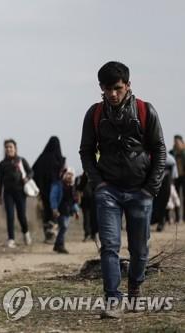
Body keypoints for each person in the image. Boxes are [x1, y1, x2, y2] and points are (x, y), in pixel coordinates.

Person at [79, 61, 166, 319]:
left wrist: (151, 188)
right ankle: (113, 300)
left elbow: (159, 149)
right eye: (108, 89)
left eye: (118, 88)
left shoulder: (145, 111)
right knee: (109, 246)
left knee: (140, 250)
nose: (113, 94)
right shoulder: (94, 114)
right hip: (108, 192)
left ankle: (135, 289)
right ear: (101, 89)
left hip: (141, 192)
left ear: (128, 85)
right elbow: (85, 151)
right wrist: (98, 184)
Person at [0, 139, 33, 248]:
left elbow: (31, 172)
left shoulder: (21, 160)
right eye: (6, 147)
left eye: (10, 147)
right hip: (8, 193)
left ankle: (26, 233)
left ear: (15, 148)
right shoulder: (2, 164)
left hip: (20, 192)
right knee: (10, 216)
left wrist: (27, 177)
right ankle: (11, 239)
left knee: (21, 215)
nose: (8, 149)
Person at [32, 136, 66, 243]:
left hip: (44, 191)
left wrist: (38, 188)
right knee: (55, 212)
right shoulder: (61, 160)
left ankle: (48, 236)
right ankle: (53, 235)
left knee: (46, 213)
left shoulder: (41, 158)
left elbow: (33, 172)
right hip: (56, 192)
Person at [49, 168, 79, 254]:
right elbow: (53, 197)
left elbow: (73, 201)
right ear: (63, 175)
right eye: (68, 174)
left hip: (68, 211)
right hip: (60, 210)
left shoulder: (72, 187)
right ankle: (60, 246)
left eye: (71, 174)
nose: (69, 176)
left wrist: (76, 211)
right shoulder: (57, 185)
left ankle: (57, 245)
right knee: (64, 227)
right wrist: (54, 209)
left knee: (63, 228)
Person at [76, 172, 97, 242]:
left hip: (94, 201)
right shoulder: (80, 178)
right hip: (85, 202)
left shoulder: (95, 176)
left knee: (94, 218)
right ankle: (87, 234)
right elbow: (78, 189)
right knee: (86, 218)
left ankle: (93, 234)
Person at [170, 135, 185, 222]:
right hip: (175, 177)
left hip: (183, 177)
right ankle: (177, 217)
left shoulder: (183, 152)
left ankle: (183, 217)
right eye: (175, 142)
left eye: (177, 142)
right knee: (176, 197)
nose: (176, 143)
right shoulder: (172, 152)